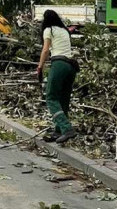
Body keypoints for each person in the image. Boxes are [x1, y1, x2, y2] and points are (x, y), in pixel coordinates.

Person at [37, 9, 78, 143]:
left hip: (59, 64)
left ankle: (67, 129)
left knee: (51, 97)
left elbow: (45, 50)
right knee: (63, 99)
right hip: (71, 66)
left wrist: (40, 66)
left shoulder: (49, 30)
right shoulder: (64, 30)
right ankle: (58, 131)